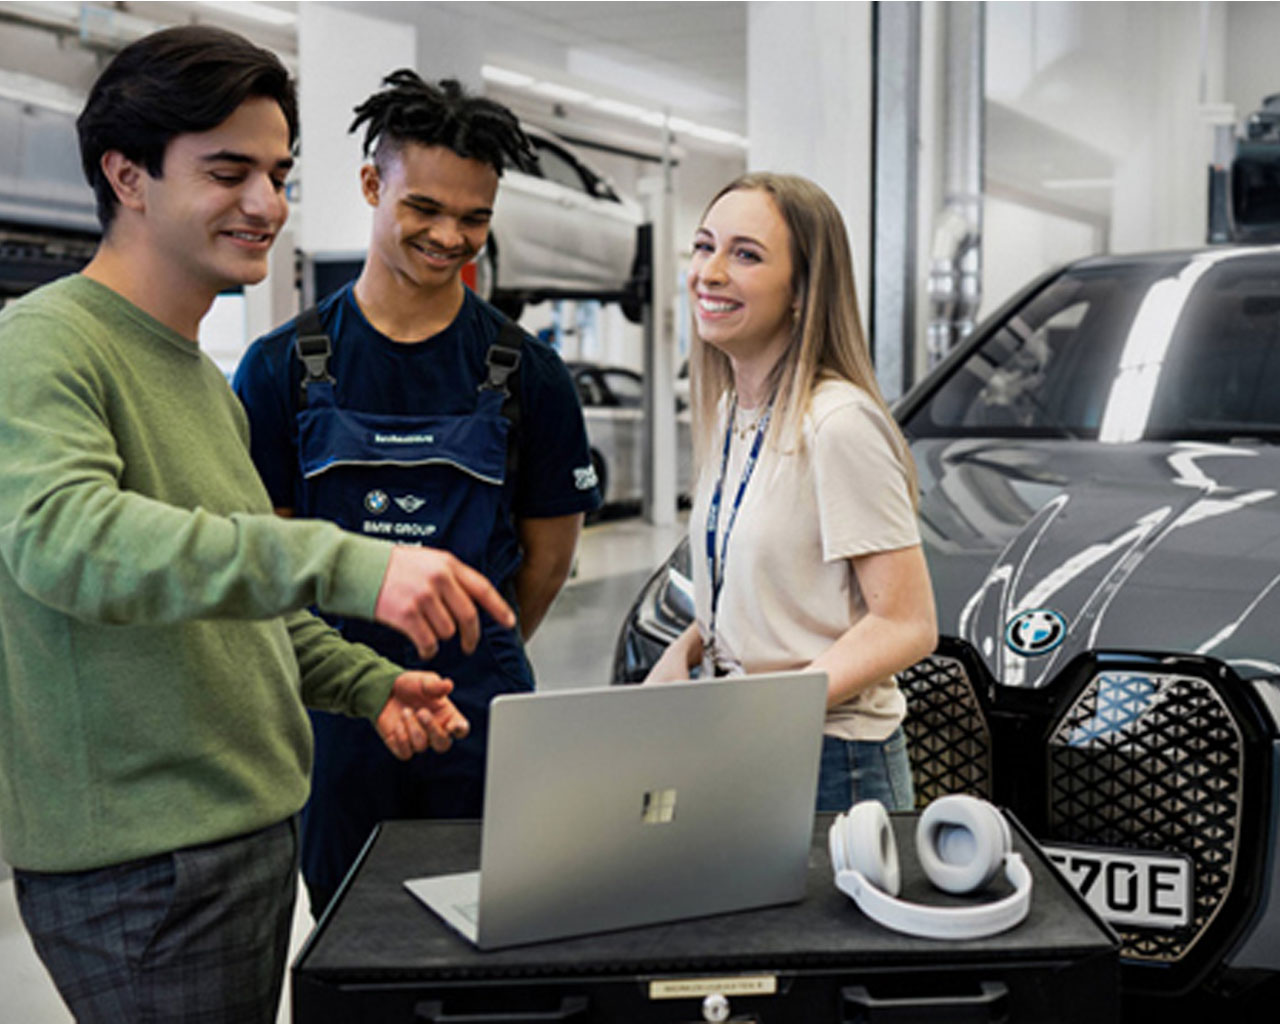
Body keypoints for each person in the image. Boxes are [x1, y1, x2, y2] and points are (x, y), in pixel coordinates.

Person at [0, 27, 517, 1024]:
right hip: (145, 862)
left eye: (277, 173)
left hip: (238, 832)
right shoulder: (44, 346)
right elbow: (68, 541)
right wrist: (350, 563)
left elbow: (250, 604)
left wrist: (369, 683)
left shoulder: (200, 379)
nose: (268, 204)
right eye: (228, 171)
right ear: (128, 175)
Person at [233, 70, 600, 916]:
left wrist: (474, 648)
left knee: (498, 925)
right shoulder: (282, 368)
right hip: (334, 720)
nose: (450, 237)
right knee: (352, 932)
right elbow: (269, 560)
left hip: (481, 714)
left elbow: (546, 562)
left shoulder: (527, 374)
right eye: (425, 209)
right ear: (372, 184)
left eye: (475, 218)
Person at [645, 173, 937, 813]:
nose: (710, 272)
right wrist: (685, 648)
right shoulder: (732, 413)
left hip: (832, 759)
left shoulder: (835, 424)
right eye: (703, 247)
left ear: (803, 291)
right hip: (748, 737)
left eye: (745, 255)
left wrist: (770, 713)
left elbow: (908, 625)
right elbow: (763, 590)